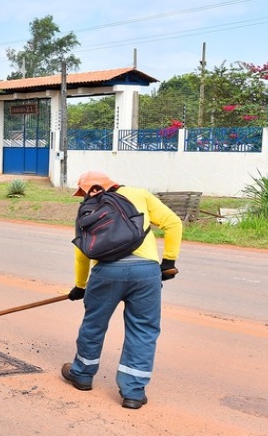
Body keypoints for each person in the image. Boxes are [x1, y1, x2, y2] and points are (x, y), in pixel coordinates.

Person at [61, 170, 183, 410]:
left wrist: (80, 286)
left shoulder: (88, 209)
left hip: (106, 274)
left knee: (94, 324)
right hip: (146, 273)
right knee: (143, 329)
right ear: (113, 184)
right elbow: (173, 224)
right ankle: (133, 392)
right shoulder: (139, 194)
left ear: (85, 191)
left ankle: (82, 375)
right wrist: (168, 261)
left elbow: (82, 253)